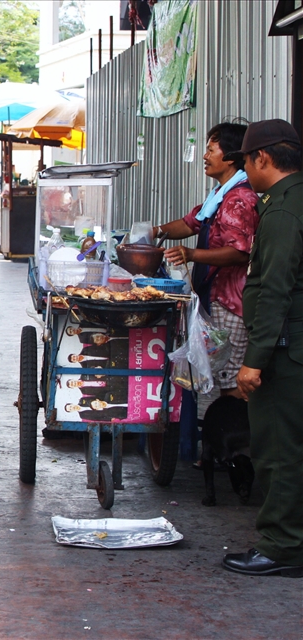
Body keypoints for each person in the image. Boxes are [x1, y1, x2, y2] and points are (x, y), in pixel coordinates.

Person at [223, 119, 303, 578]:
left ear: (264, 159)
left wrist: (254, 362)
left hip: (286, 353)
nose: (245, 172)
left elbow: (274, 289)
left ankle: (282, 547)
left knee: (279, 449)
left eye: (247, 162)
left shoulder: (283, 211)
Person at [159, 122, 260, 396]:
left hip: (230, 302)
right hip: (213, 297)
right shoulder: (219, 195)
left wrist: (191, 254)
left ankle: (234, 435)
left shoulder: (239, 199)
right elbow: (191, 223)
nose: (205, 156)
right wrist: (155, 233)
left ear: (229, 157)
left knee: (230, 382)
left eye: (211, 150)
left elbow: (240, 251)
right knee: (214, 377)